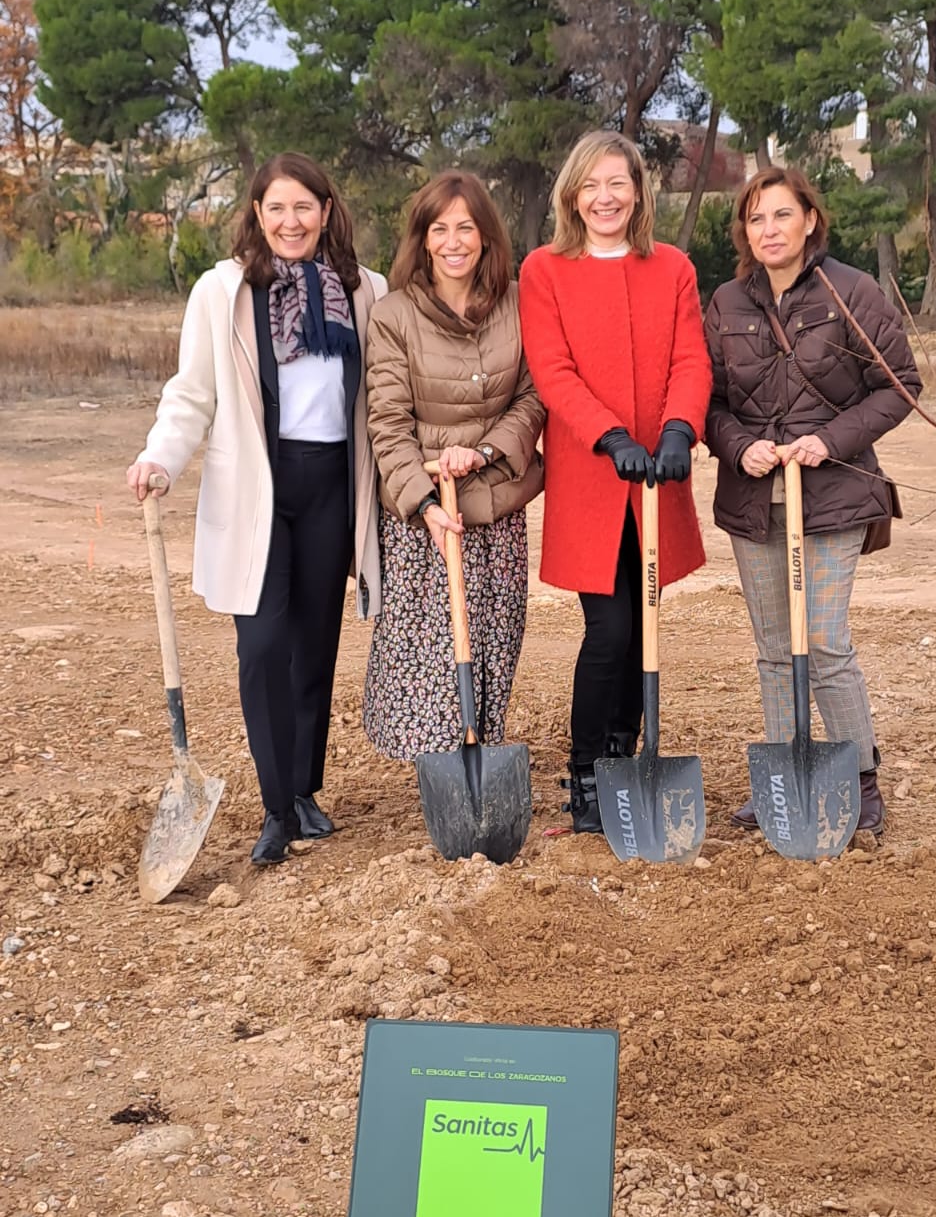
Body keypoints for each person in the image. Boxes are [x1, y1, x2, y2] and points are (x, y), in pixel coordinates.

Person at [126, 152, 388, 866]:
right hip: (258, 489)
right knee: (264, 646)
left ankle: (305, 790)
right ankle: (275, 806)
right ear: (257, 214)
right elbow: (192, 392)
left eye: (304, 206)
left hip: (333, 480)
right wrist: (161, 457)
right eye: (276, 208)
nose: (290, 220)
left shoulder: (366, 291)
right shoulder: (224, 290)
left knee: (315, 645)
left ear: (326, 212)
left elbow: (385, 396)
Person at [704, 165, 921, 839]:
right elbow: (707, 402)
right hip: (754, 501)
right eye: (756, 218)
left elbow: (899, 385)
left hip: (834, 497)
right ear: (745, 230)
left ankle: (860, 777)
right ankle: (784, 775)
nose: (769, 229)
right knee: (774, 647)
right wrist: (738, 446)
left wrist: (827, 441)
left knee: (822, 641)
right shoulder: (727, 303)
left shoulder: (850, 291)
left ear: (809, 220)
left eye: (781, 214)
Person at [519, 130, 712, 834]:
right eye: (591, 185)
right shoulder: (544, 269)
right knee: (609, 630)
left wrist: (677, 429)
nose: (605, 197)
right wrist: (611, 436)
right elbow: (553, 370)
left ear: (638, 192)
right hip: (594, 477)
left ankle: (624, 762)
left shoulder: (673, 268)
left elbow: (690, 357)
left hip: (656, 477)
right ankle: (585, 779)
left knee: (643, 627)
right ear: (573, 194)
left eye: (618, 184)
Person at [362, 172, 544, 761]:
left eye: (466, 227)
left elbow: (534, 395)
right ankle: (441, 770)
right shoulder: (393, 316)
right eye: (440, 228)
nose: (453, 240)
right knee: (430, 654)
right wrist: (425, 500)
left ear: (486, 236)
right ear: (423, 238)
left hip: (495, 507)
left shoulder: (518, 304)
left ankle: (481, 758)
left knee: (493, 642)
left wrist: (486, 451)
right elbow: (387, 423)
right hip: (425, 519)